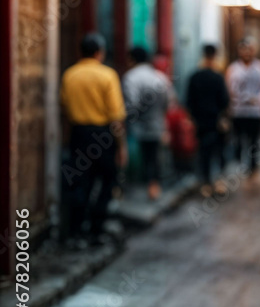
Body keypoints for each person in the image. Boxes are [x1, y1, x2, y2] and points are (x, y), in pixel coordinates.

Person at [59, 33, 127, 248]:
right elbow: (116, 116)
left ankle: (77, 232)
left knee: (80, 183)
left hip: (79, 134)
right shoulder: (107, 75)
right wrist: (121, 146)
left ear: (81, 52)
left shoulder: (70, 75)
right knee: (107, 182)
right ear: (100, 52)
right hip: (103, 136)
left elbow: (64, 108)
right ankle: (97, 230)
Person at [122, 46, 174, 201]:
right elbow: (168, 103)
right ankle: (154, 186)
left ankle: (133, 187)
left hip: (137, 127)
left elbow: (132, 105)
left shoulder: (130, 77)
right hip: (157, 124)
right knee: (154, 156)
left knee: (139, 157)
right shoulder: (160, 77)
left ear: (132, 59)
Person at [225, 36, 260, 177]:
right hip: (238, 111)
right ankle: (239, 164)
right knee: (238, 139)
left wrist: (259, 100)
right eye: (243, 50)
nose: (246, 53)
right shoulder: (233, 69)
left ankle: (253, 166)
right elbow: (228, 90)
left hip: (255, 112)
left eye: (249, 50)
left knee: (254, 141)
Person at [186, 44, 230, 197]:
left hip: (201, 122)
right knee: (219, 152)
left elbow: (189, 101)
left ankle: (205, 184)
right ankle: (219, 183)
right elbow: (224, 100)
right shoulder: (218, 77)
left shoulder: (194, 76)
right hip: (216, 122)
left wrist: (193, 118)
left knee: (204, 153)